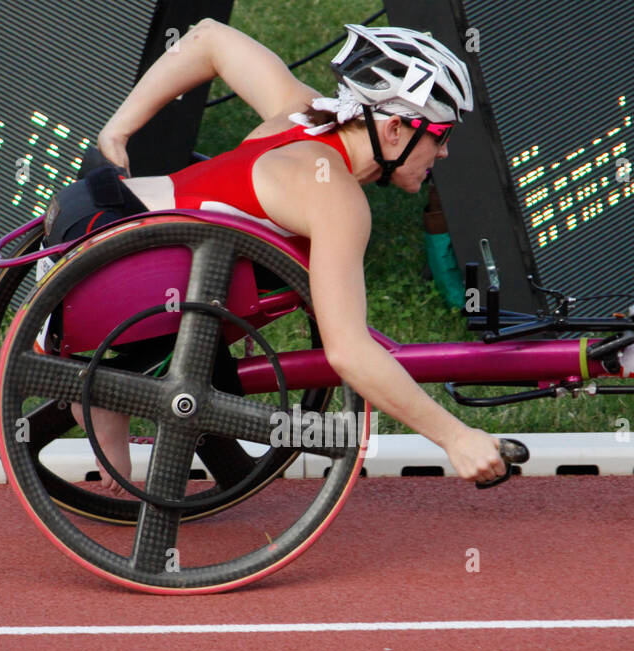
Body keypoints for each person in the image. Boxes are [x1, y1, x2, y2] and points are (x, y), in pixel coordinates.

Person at [55, 19, 506, 492]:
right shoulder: (334, 197)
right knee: (263, 281)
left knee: (257, 278)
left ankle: (118, 383)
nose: (447, 151)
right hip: (110, 254)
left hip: (90, 212)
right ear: (394, 129)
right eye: (441, 133)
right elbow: (348, 352)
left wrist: (117, 131)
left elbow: (209, 37)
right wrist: (455, 437)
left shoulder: (303, 113)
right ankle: (114, 386)